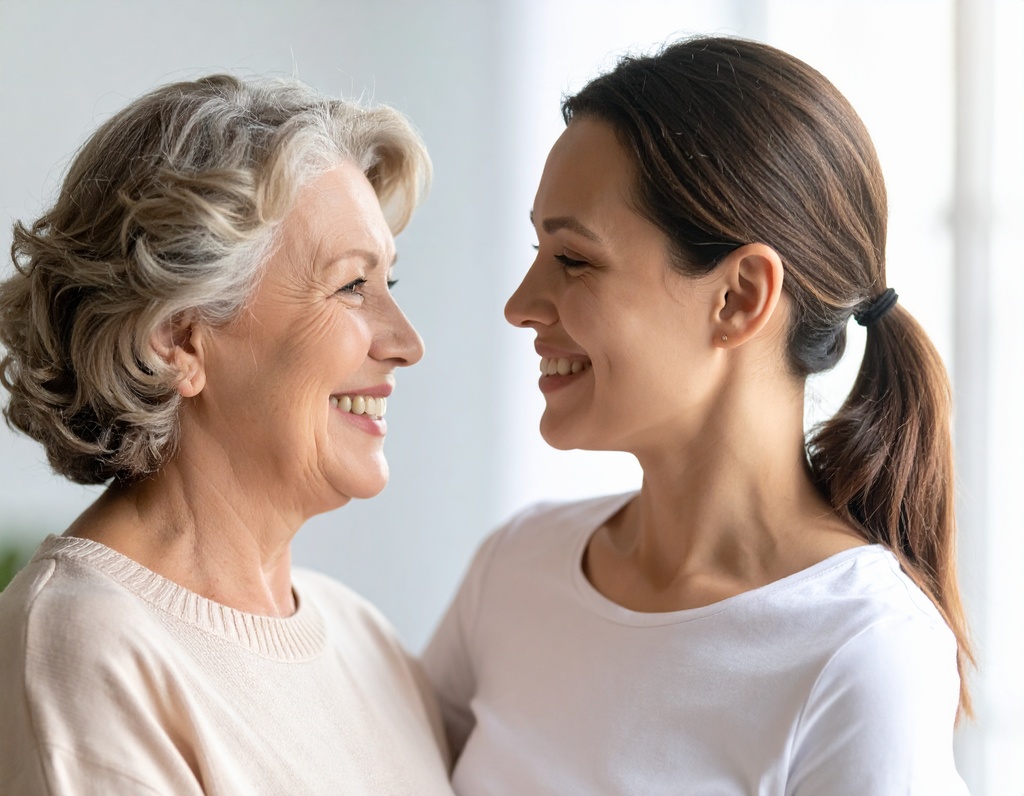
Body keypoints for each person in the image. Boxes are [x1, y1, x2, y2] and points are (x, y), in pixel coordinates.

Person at [423, 36, 972, 794]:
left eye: (573, 259)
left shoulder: (864, 654)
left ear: (740, 296)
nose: (521, 305)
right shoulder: (515, 571)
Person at [0, 74, 453, 794]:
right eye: (350, 287)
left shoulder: (362, 639)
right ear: (180, 340)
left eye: (389, 286)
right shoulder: (86, 646)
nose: (406, 342)